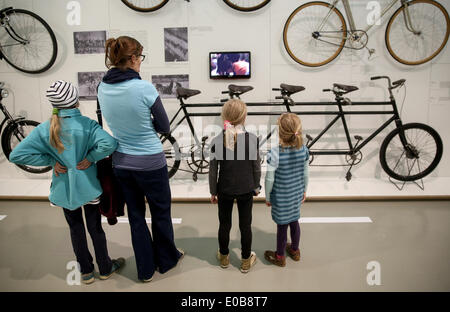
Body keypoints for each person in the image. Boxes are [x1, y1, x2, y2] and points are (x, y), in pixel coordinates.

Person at [9, 80, 124, 284]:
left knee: (75, 229)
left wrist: (50, 161)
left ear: (54, 104)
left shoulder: (45, 129)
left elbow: (16, 155)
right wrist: (90, 158)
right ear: (76, 101)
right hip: (89, 188)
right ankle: (105, 267)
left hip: (64, 190)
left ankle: (86, 272)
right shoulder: (87, 125)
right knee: (95, 228)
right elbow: (110, 143)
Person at [97, 36, 183, 282]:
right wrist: (147, 123)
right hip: (150, 163)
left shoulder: (101, 87)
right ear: (133, 59)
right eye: (140, 57)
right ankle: (166, 260)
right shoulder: (143, 88)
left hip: (121, 162)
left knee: (136, 216)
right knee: (160, 212)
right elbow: (164, 126)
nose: (141, 63)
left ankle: (145, 270)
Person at [209, 99, 261, 273]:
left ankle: (224, 257)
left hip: (224, 189)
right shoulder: (252, 139)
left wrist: (213, 191)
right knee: (245, 226)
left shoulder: (218, 140)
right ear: (244, 117)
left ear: (224, 116)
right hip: (246, 188)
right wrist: (256, 186)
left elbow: (213, 170)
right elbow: (256, 166)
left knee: (224, 224)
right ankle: (246, 260)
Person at [264, 113, 309, 267]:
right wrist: (305, 190)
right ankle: (295, 251)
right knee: (295, 222)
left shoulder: (275, 153)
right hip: (296, 194)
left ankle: (280, 256)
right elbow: (305, 173)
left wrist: (268, 197)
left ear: (280, 132)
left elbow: (269, 179)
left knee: (282, 227)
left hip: (281, 198)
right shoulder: (303, 149)